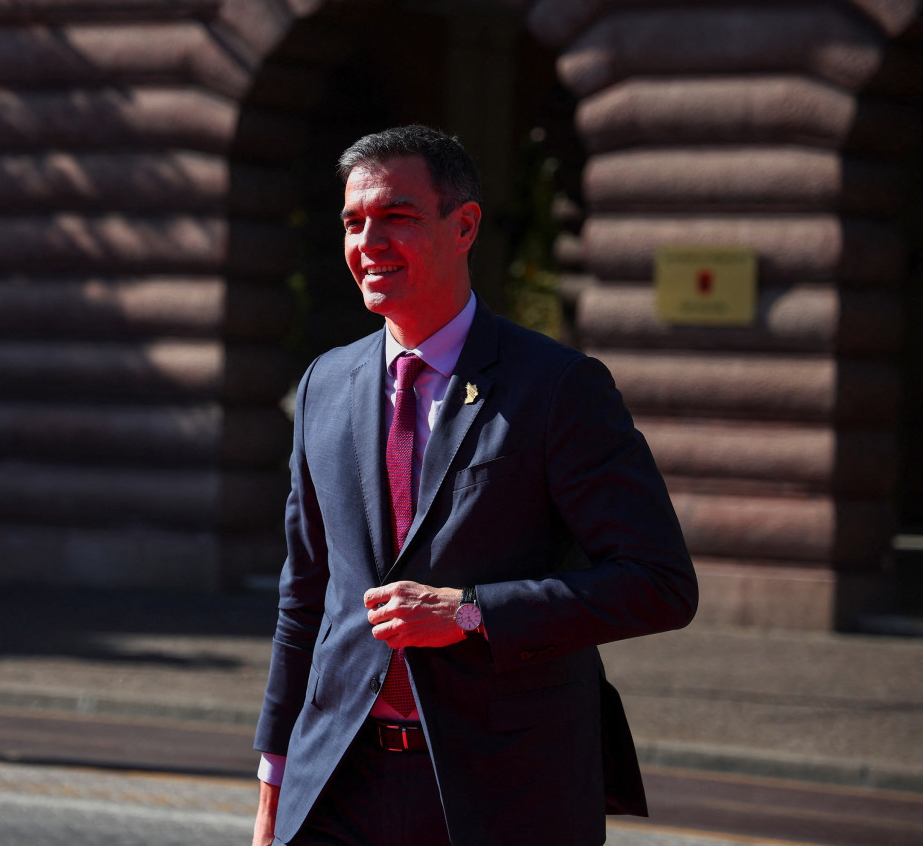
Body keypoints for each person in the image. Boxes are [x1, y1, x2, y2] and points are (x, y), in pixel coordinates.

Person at [252, 125, 698, 846]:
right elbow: (305, 594)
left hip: (499, 791)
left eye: (397, 216)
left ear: (463, 226)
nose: (369, 241)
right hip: (337, 784)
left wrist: (470, 612)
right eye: (353, 222)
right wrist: (275, 774)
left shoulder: (558, 388)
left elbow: (660, 583)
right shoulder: (323, 385)